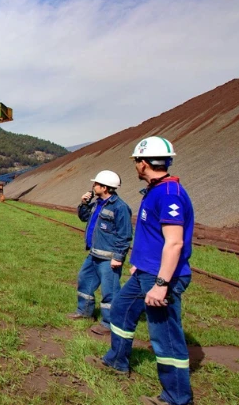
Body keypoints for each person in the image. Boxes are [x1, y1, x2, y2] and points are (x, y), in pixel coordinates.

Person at [100, 136, 194, 405]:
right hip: (145, 272)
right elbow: (155, 237)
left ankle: (177, 398)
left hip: (160, 277)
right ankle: (117, 361)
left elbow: (174, 242)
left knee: (165, 337)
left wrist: (162, 283)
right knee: (120, 310)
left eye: (135, 162)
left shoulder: (168, 195)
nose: (135, 166)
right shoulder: (157, 191)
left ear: (143, 163)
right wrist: (139, 264)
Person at [68, 170, 133, 335]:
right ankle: (84, 312)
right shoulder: (97, 204)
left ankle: (109, 324)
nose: (93, 186)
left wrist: (118, 257)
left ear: (105, 187)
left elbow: (125, 235)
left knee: (109, 291)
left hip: (109, 257)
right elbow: (84, 218)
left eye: (96, 184)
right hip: (94, 254)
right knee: (84, 280)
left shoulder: (120, 207)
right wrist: (83, 204)